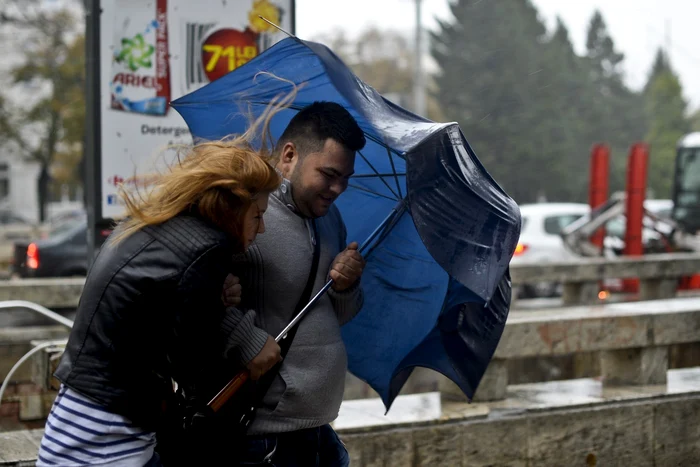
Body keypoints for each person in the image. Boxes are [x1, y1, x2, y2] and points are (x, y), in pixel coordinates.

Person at [36, 135, 284, 466]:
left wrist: (212, 297)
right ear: (233, 205)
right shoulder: (207, 249)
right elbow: (194, 362)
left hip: (74, 418)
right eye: (257, 215)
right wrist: (251, 351)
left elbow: (152, 314)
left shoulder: (152, 224)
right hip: (109, 439)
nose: (262, 228)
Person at [221, 101, 367, 466]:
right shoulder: (246, 209)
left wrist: (347, 286)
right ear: (289, 155)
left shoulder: (331, 221)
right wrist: (245, 338)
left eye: (346, 179)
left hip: (320, 428)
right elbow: (193, 296)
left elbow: (339, 314)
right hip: (264, 435)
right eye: (329, 174)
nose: (338, 188)